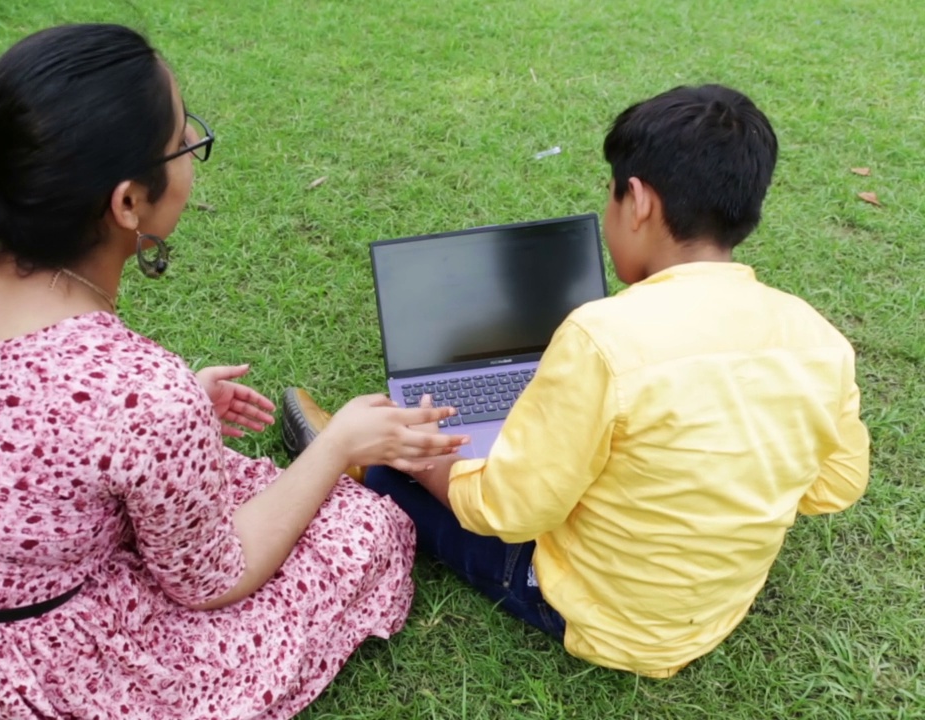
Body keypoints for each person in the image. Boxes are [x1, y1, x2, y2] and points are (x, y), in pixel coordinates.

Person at [0, 24, 467, 720]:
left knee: (217, 482)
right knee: (361, 529)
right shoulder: (139, 393)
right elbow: (212, 579)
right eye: (186, 141)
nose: (191, 157)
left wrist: (176, 419)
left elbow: (10, 434)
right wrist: (337, 446)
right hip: (32, 676)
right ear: (128, 203)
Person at [282, 84, 871, 678]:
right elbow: (835, 485)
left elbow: (507, 511)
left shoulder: (603, 336)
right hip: (715, 614)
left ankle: (352, 461)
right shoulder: (818, 338)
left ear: (637, 201)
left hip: (590, 614)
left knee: (398, 469)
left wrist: (427, 461)